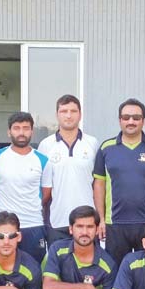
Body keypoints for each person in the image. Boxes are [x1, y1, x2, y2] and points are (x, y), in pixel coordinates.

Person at [93, 98, 145, 265]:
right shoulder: (106, 148)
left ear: (143, 121)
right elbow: (99, 185)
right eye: (126, 117)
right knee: (117, 271)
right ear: (119, 120)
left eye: (136, 118)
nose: (131, 121)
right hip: (115, 223)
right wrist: (100, 219)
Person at [38, 94, 99, 245]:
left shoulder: (92, 143)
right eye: (64, 111)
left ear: (80, 115)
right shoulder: (45, 145)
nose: (69, 116)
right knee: (58, 267)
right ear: (57, 115)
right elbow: (43, 187)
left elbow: (98, 184)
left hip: (87, 221)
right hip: (57, 221)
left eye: (73, 111)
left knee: (87, 266)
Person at [0, 112, 50, 264]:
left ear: (32, 131)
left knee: (33, 271)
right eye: (16, 128)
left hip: (33, 224)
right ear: (9, 131)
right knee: (1, 271)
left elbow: (46, 194)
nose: (21, 132)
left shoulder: (43, 160)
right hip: (2, 225)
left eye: (26, 128)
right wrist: (0, 206)